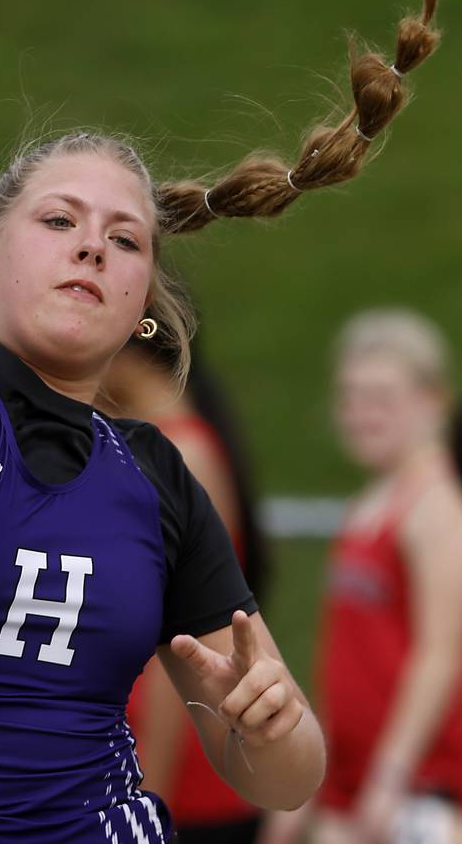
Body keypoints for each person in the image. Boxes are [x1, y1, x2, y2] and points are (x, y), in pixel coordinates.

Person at [0, 0, 439, 844]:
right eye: (59, 221)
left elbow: (285, 777)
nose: (93, 244)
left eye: (125, 239)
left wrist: (273, 726)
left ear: (142, 304)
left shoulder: (156, 475)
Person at [264, 310, 462, 844]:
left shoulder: (443, 499)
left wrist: (390, 776)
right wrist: (309, 778)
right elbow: (345, 662)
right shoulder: (370, 505)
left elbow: (442, 652)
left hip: (416, 787)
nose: (361, 414)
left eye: (381, 398)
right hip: (353, 784)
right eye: (351, 397)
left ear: (432, 400)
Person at [103, 334, 269, 843]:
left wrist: (147, 797)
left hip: (181, 784)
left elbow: (180, 644)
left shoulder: (178, 452)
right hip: (156, 771)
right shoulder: (166, 443)